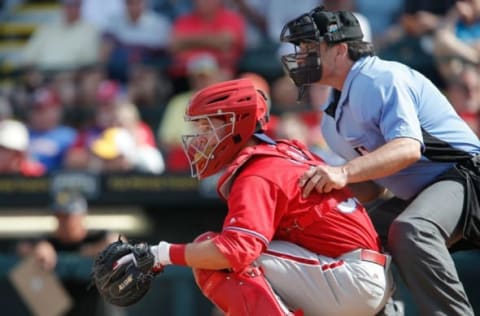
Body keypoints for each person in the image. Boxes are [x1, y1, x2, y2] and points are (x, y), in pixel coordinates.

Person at [116, 78, 394, 315]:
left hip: (351, 277)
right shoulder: (284, 151)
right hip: (353, 273)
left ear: (236, 125)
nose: (200, 139)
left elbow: (233, 251)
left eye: (207, 128)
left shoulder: (258, 172)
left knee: (214, 252)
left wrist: (160, 254)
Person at [279, 6, 480, 315]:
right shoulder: (331, 120)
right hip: (426, 193)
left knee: (412, 230)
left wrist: (343, 172)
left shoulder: (380, 77)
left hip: (467, 178)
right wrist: (320, 196)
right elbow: (373, 189)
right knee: (352, 233)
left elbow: (408, 148)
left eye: (310, 48)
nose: (302, 55)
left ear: (340, 50)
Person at [16, 190, 119, 316]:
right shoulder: (49, 242)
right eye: (59, 216)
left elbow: (118, 242)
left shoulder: (97, 237)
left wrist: (91, 250)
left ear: (82, 216)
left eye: (68, 216)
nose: (63, 222)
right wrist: (38, 248)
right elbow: (22, 248)